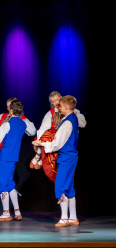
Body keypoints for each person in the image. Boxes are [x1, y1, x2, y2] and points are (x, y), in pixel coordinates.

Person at [33, 96, 80, 227]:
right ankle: (73, 218)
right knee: (69, 187)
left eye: (60, 105)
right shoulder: (73, 118)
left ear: (66, 107)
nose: (58, 107)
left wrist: (41, 143)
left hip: (66, 157)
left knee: (60, 186)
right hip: (71, 156)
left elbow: (57, 144)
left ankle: (65, 218)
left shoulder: (67, 123)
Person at [30, 91, 86, 182]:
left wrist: (74, 115)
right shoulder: (51, 113)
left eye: (57, 100)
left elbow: (83, 124)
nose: (55, 102)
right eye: (53, 101)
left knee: (65, 178)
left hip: (67, 140)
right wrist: (40, 142)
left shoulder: (71, 111)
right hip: (55, 136)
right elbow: (43, 127)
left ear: (61, 98)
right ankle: (40, 156)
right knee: (45, 137)